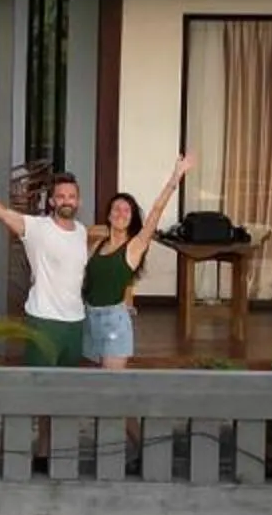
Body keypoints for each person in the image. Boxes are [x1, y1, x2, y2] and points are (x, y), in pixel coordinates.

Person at [0, 148, 88, 373]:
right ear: (52, 202)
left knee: (68, 390)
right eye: (61, 197)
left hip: (75, 322)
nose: (67, 201)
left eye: (71, 197)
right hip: (45, 321)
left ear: (79, 202)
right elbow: (1, 212)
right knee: (37, 388)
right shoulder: (37, 228)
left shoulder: (82, 232)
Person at [83, 151, 195, 367]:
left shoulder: (135, 246)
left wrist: (176, 177)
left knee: (111, 385)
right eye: (116, 208)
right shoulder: (98, 244)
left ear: (132, 218)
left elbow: (156, 210)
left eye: (127, 211)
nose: (120, 213)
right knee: (94, 384)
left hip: (113, 322)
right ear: (108, 214)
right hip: (89, 318)